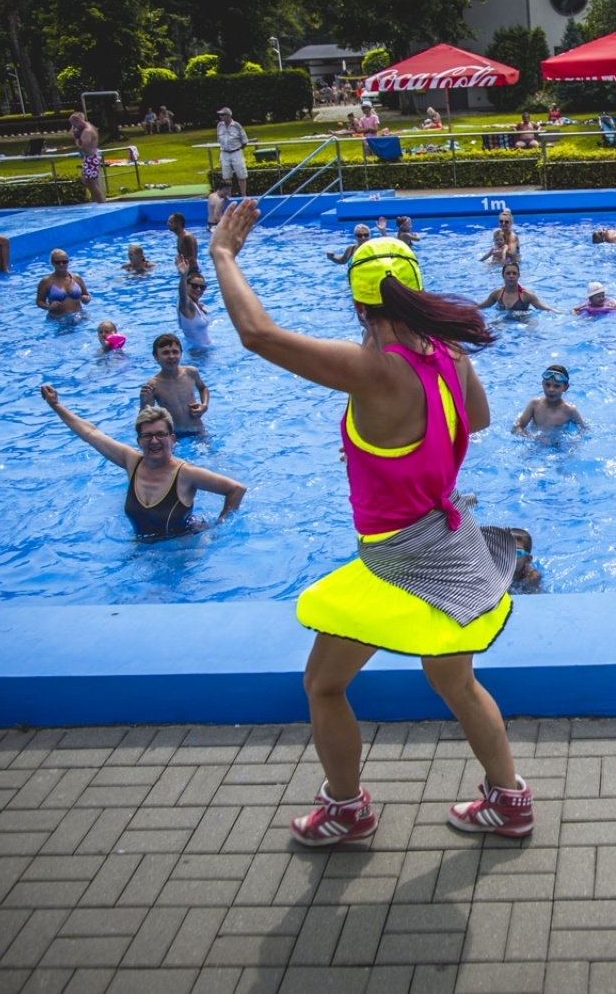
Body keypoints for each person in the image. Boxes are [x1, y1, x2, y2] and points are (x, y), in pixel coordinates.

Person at [208, 206, 536, 845]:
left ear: (358, 307)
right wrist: (377, 445)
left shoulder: (373, 370)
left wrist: (223, 255)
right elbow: (474, 422)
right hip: (450, 539)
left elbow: (259, 336)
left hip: (399, 560)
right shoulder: (448, 355)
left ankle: (346, 808)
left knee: (322, 685)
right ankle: (509, 800)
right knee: (455, 680)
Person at [41, 386, 244, 537]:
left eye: (160, 435)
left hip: (184, 547)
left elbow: (236, 489)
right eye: (147, 436)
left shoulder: (186, 473)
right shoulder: (132, 461)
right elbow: (91, 433)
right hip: (144, 548)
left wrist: (219, 529)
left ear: (172, 439)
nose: (154, 441)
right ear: (139, 441)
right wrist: (56, 405)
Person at [141, 333, 210, 434]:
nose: (171, 356)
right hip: (174, 434)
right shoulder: (153, 385)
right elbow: (147, 417)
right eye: (165, 353)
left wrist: (204, 405)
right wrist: (143, 402)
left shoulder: (191, 373)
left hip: (197, 428)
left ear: (181, 353)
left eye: (175, 352)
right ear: (156, 356)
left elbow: (203, 388)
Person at [512, 365, 586, 437]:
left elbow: (584, 430)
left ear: (565, 388)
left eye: (556, 386)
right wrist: (533, 438)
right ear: (542, 384)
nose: (551, 389)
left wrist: (574, 444)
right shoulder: (534, 404)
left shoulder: (569, 410)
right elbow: (516, 428)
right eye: (547, 385)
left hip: (557, 446)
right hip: (534, 444)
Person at [478, 261, 558, 313]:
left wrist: (564, 314)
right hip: (504, 319)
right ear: (503, 275)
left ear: (518, 275)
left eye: (514, 273)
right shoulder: (497, 294)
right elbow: (480, 307)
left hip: (523, 320)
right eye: (508, 273)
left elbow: (546, 309)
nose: (511, 276)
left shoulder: (526, 295)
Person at [36, 249, 91, 316]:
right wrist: (49, 307)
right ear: (52, 263)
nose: (61, 264)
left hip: (79, 316)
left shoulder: (76, 278)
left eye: (64, 261)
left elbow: (86, 295)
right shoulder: (46, 281)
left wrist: (85, 299)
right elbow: (39, 301)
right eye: (57, 262)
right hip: (58, 320)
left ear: (68, 262)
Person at [214, 108, 250, 198]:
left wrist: (238, 149)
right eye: (220, 115)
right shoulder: (219, 126)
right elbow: (219, 139)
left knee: (241, 174)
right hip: (224, 152)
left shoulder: (237, 126)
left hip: (236, 152)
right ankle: (228, 195)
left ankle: (243, 195)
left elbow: (244, 141)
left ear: (228, 115)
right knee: (226, 176)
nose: (220, 117)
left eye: (222, 115)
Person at [69, 112, 105, 204]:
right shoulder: (88, 126)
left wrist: (76, 140)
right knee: (86, 180)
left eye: (74, 125)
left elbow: (84, 147)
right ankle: (99, 201)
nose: (74, 127)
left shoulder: (86, 132)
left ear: (79, 121)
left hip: (91, 158)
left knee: (90, 182)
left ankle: (101, 202)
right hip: (90, 157)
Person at [177, 267, 213, 349]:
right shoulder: (185, 305)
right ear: (186, 286)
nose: (198, 289)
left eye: (202, 287)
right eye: (194, 286)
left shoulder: (195, 305)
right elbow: (182, 295)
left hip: (206, 350)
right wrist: (183, 276)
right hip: (197, 354)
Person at [510, 529, 541, 593]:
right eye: (505, 551)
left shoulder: (531, 577)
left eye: (517, 553)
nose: (509, 557)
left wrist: (533, 585)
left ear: (527, 560)